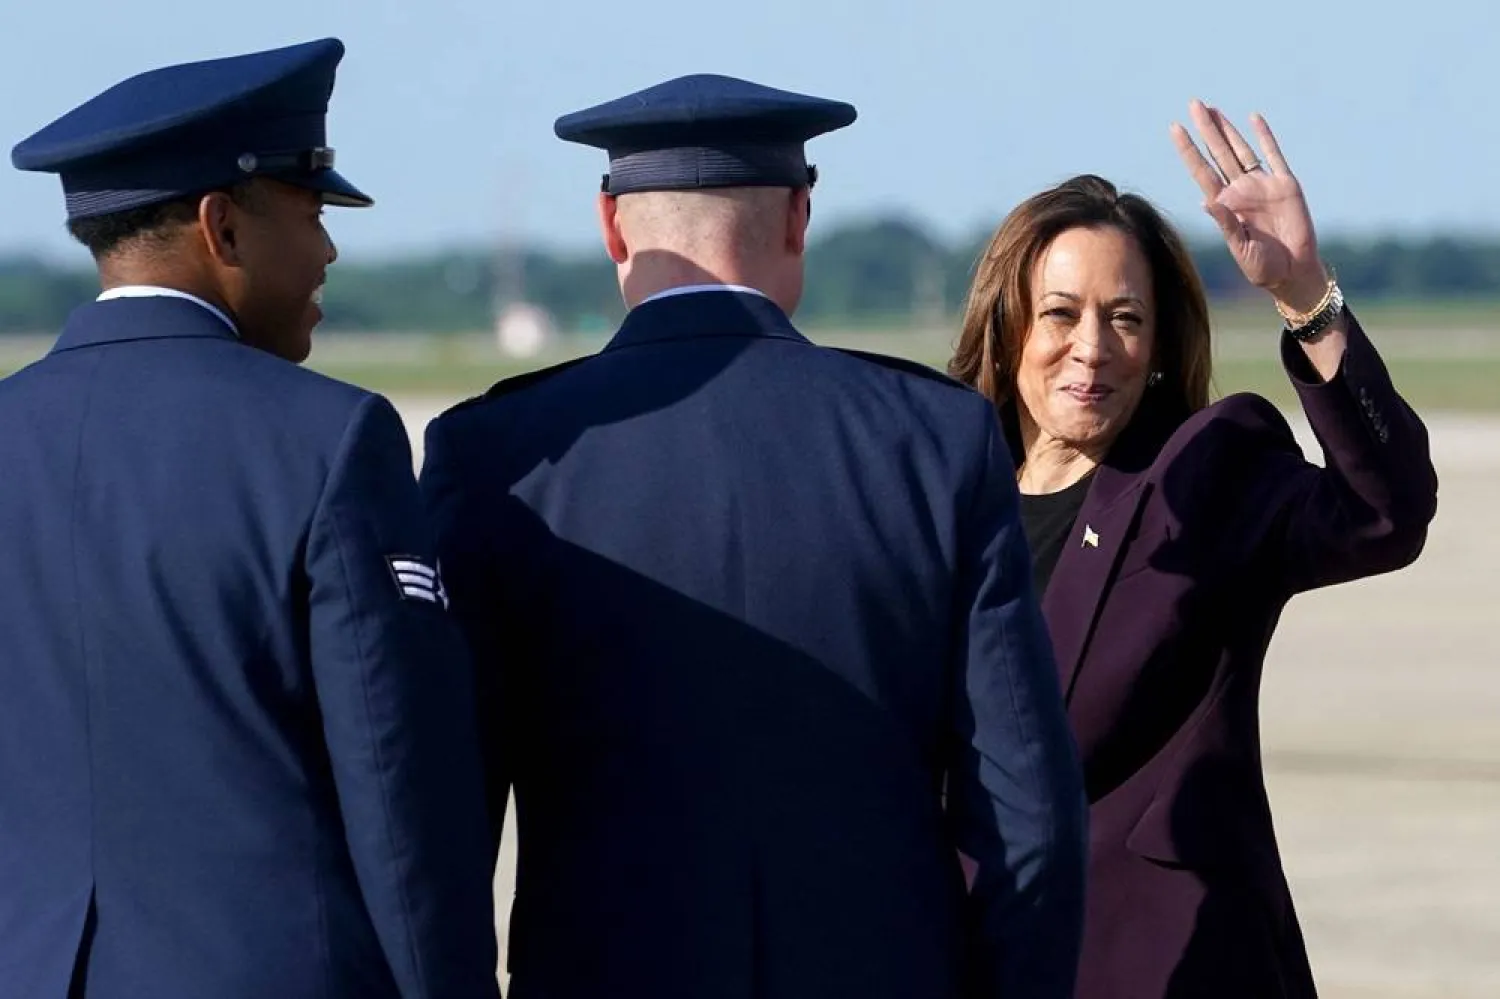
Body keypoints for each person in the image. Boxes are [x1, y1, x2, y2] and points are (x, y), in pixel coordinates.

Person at [419, 73, 1088, 999]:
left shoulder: (496, 454)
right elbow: (1032, 821)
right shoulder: (934, 438)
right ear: (799, 217)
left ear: (611, 226)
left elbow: (443, 826)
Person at [2, 39, 499, 999]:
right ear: (220, 225)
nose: (328, 249)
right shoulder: (327, 439)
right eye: (312, 210)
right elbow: (399, 788)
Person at [947, 99, 1440, 998]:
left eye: (1126, 318)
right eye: (1060, 312)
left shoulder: (1202, 477)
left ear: (1162, 343)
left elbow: (1388, 511)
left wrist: (1306, 296)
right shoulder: (941, 505)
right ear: (1006, 323)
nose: (1090, 349)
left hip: (1169, 966)